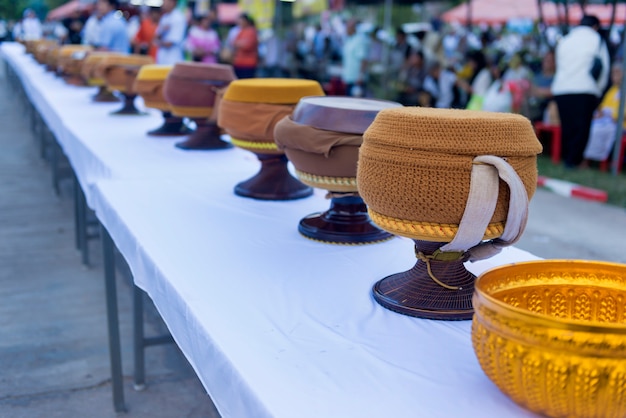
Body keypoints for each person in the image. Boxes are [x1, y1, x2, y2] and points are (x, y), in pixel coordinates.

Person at [552, 14, 610, 168]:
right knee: (582, 128)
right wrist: (599, 90)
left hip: (562, 88)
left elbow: (559, 65)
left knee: (567, 125)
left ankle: (567, 159)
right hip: (585, 89)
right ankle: (574, 161)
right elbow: (604, 68)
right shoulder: (596, 39)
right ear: (595, 26)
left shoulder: (566, 39)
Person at [583, 63, 625, 163]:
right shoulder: (612, 90)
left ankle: (588, 160)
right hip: (606, 120)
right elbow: (602, 108)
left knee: (596, 130)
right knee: (587, 125)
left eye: (617, 73)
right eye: (613, 74)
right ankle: (584, 157)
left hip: (620, 124)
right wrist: (600, 113)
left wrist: (610, 115)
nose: (614, 77)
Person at [154, 0, 187, 65]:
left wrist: (158, 41)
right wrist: (162, 30)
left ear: (173, 2)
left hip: (173, 60)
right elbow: (155, 38)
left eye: (166, 1)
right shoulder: (164, 17)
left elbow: (170, 43)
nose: (163, 3)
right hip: (161, 58)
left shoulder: (179, 18)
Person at [341, 18, 368, 97]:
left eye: (347, 28)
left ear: (352, 28)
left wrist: (360, 76)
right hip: (349, 78)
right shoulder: (349, 40)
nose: (345, 30)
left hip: (356, 79)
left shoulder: (360, 40)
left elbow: (363, 59)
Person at [232, 13, 258, 79]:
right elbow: (234, 43)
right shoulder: (240, 31)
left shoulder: (252, 31)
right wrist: (241, 43)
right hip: (238, 62)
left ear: (246, 21)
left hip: (248, 63)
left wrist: (240, 43)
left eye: (241, 20)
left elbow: (248, 46)